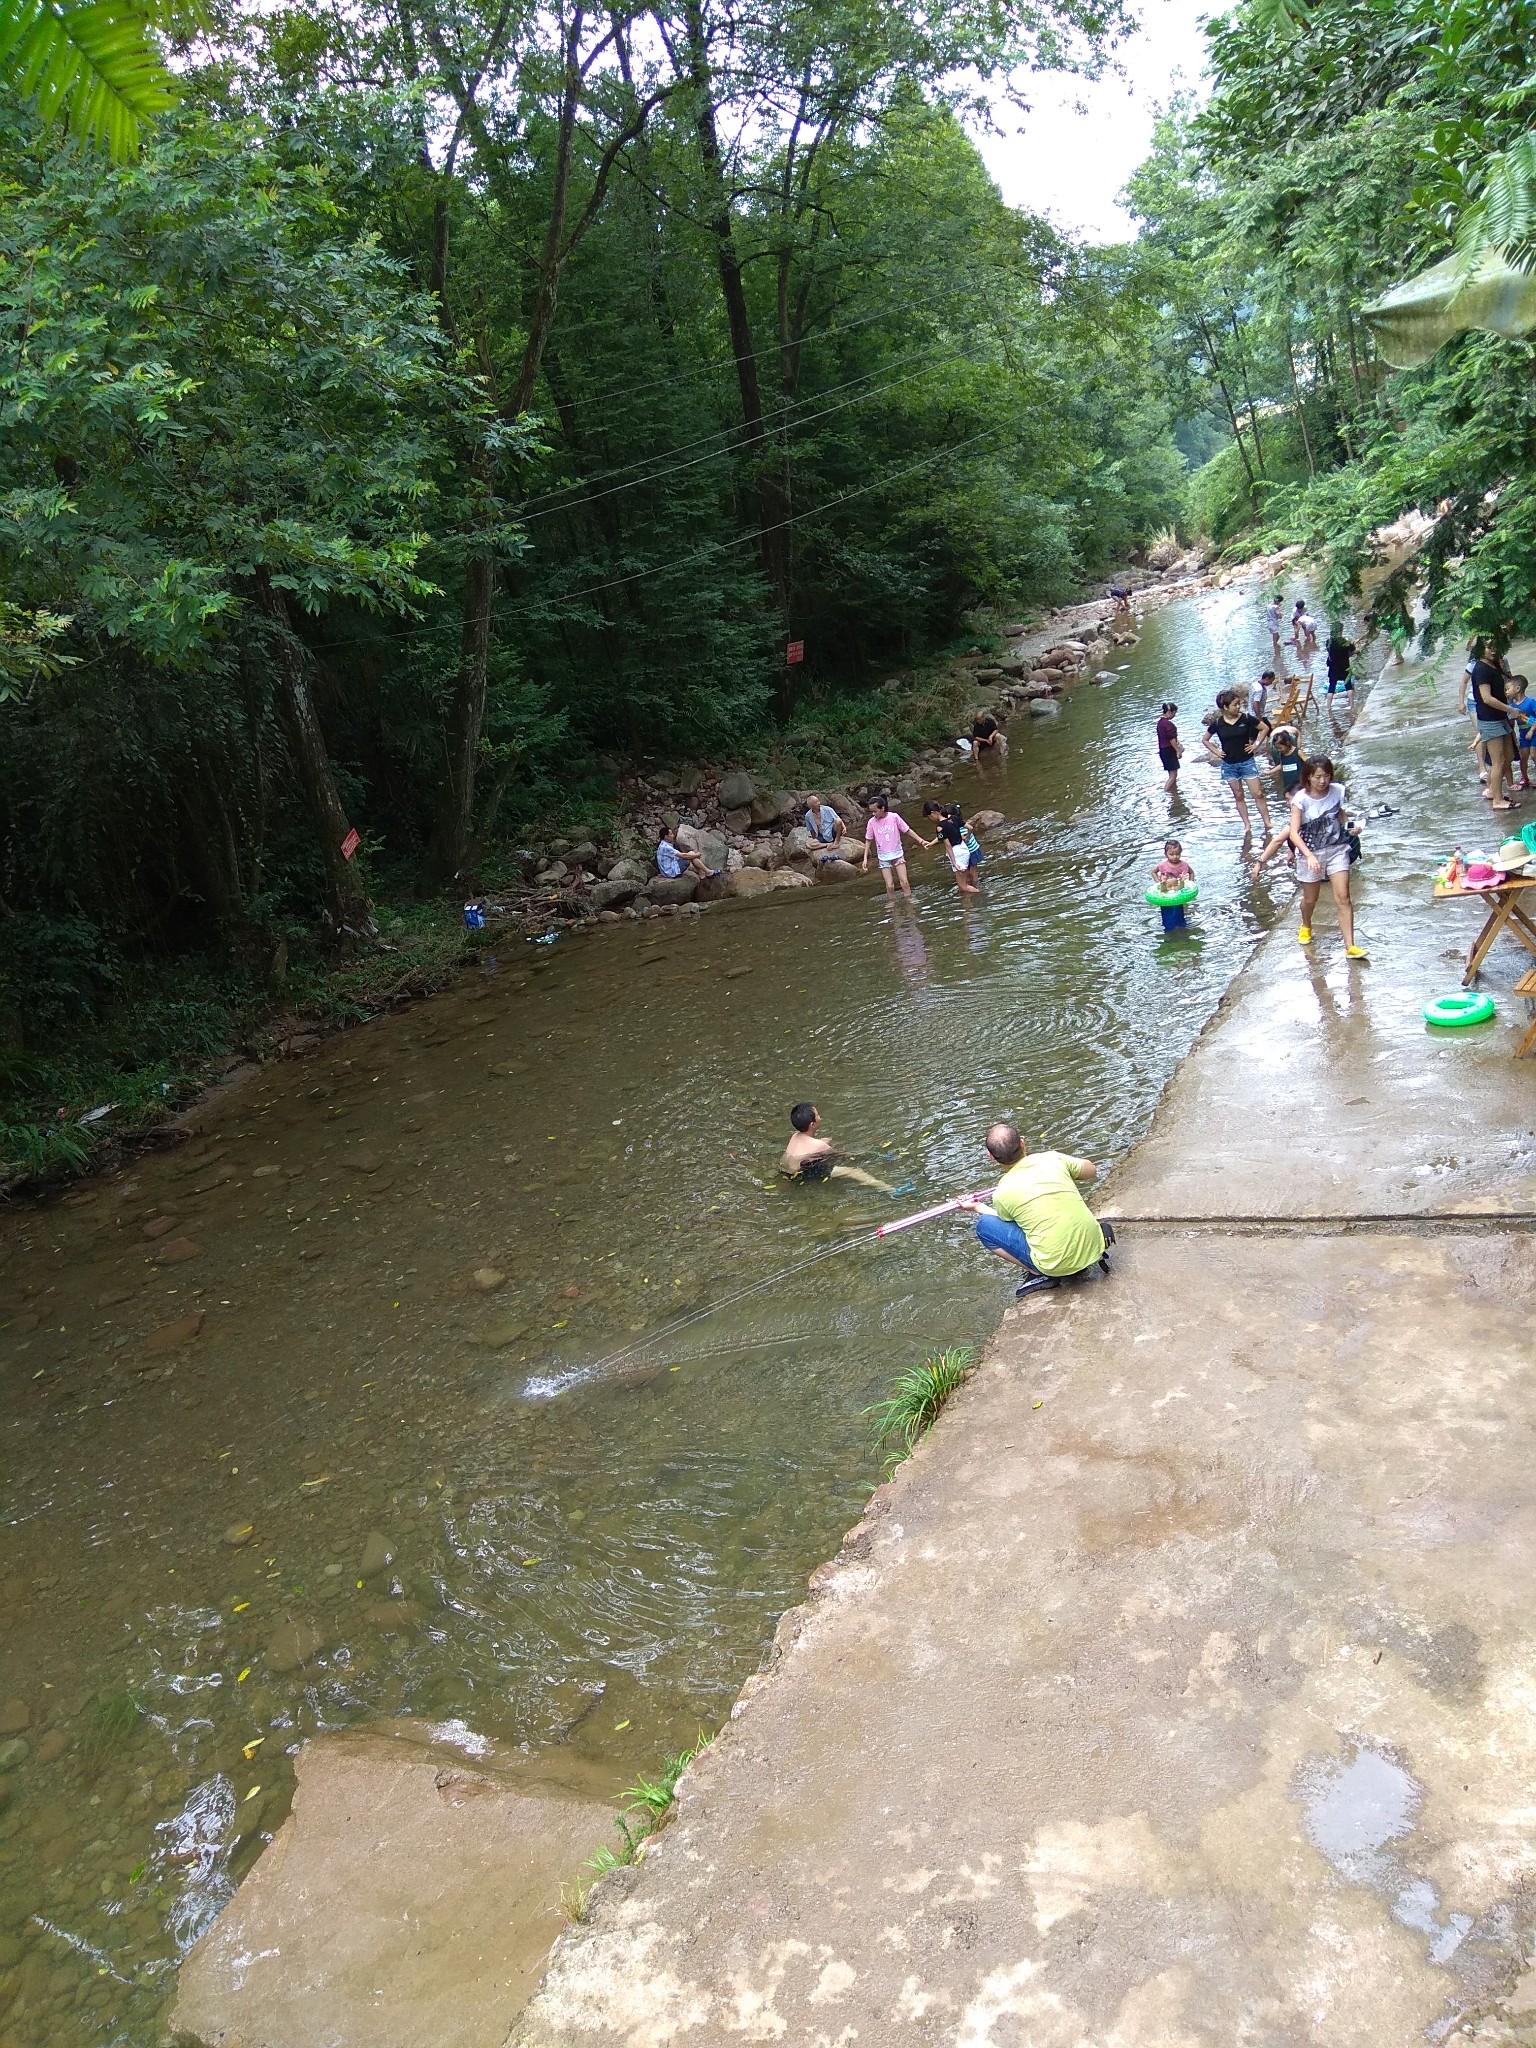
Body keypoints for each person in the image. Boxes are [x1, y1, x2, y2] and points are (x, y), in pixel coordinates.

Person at [960, 1123, 1111, 1300]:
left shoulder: (1003, 1192)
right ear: (1023, 1143)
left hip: (1057, 1266)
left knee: (984, 1226)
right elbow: (1091, 1171)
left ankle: (1039, 1273)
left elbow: (1008, 1222)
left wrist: (978, 1207)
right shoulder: (1052, 1159)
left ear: (991, 1157)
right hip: (1094, 1249)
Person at [1255, 755, 1366, 956]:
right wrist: (1309, 856)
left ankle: (1350, 946)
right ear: (1308, 778)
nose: (1322, 781)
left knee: (1343, 898)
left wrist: (1351, 828)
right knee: (1310, 899)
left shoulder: (1337, 791)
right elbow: (1294, 833)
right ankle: (1306, 924)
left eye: (1326, 776)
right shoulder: (1300, 800)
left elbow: (1340, 816)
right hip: (1310, 853)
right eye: (1317, 777)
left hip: (1337, 849)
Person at [1203, 692, 1273, 841]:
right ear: (1225, 707)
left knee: (1257, 793)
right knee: (1239, 795)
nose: (1238, 707)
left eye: (1239, 704)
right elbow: (1205, 740)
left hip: (1247, 761)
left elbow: (1264, 728)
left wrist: (1255, 745)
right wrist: (1216, 751)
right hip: (1229, 764)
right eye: (1235, 705)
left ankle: (1267, 822)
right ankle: (1247, 825)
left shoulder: (1246, 718)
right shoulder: (1218, 723)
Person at [779, 1104, 895, 1192]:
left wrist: (822, 1143)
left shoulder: (795, 1136)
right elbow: (842, 1154)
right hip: (803, 1174)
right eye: (818, 1115)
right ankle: (889, 1190)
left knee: (825, 1144)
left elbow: (810, 1146)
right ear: (812, 1125)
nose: (820, 1117)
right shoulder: (819, 1145)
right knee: (854, 1172)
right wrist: (863, 1154)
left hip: (787, 1171)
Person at [1470, 638, 1519, 809]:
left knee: (1509, 756)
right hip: (1490, 719)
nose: (1492, 650)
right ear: (1479, 650)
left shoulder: (1494, 665)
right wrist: (1510, 709)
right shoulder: (1481, 669)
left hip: (1500, 717)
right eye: (1488, 648)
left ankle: (1493, 790)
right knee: (1498, 761)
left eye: (1494, 647)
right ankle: (1497, 799)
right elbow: (1487, 698)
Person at [861, 794, 931, 900]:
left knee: (905, 883)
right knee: (889, 886)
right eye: (872, 812)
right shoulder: (872, 822)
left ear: (882, 808)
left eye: (875, 811)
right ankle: (893, 909)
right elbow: (868, 840)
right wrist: (865, 858)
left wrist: (921, 841)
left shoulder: (894, 817)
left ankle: (910, 905)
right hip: (883, 856)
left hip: (897, 854)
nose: (873, 814)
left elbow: (907, 830)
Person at [922, 801, 983, 895]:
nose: (931, 819)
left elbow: (948, 845)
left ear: (933, 813)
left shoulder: (940, 827)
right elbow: (970, 828)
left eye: (929, 817)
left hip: (957, 853)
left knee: (963, 886)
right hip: (964, 849)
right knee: (966, 882)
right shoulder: (954, 818)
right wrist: (966, 838)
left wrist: (954, 863)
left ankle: (981, 895)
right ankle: (968, 906)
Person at [1152, 839, 1195, 931]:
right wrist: (1158, 882)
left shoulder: (1183, 865)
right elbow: (1154, 872)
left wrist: (1191, 883)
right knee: (1167, 909)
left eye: (1177, 854)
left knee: (1179, 908)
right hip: (1166, 889)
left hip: (1178, 889)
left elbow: (1191, 873)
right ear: (1166, 854)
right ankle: (1168, 928)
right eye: (1171, 854)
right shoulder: (1163, 865)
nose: (1175, 857)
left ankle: (1181, 925)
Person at [1510, 676, 1536, 792]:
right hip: (1523, 735)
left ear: (1517, 689)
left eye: (1508, 688)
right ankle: (1525, 778)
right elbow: (1510, 721)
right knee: (1523, 757)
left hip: (1534, 733)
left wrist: (1531, 731)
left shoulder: (1530, 702)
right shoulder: (1512, 707)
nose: (1506, 692)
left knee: (1534, 755)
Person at [1156, 702, 1182, 791]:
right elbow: (1172, 739)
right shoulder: (1168, 724)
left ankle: (1174, 793)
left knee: (1171, 773)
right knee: (1173, 775)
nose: (1174, 716)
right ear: (1170, 712)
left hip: (1163, 750)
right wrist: (1178, 751)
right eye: (1174, 713)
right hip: (1169, 750)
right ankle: (1165, 791)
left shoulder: (1160, 723)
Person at [1325, 627, 1355, 701]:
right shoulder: (1344, 641)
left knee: (1331, 688)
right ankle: (1351, 706)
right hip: (1344, 667)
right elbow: (1352, 650)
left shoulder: (1329, 642)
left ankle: (1328, 708)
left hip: (1333, 668)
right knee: (1348, 686)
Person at [1264, 592, 1284, 665]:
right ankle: (1277, 654)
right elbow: (1279, 616)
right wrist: (1281, 614)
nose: (1279, 603)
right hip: (1274, 624)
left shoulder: (1268, 605)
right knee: (1275, 640)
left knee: (1277, 637)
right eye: (1279, 602)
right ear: (1277, 601)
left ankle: (1277, 651)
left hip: (1269, 624)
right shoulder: (1276, 607)